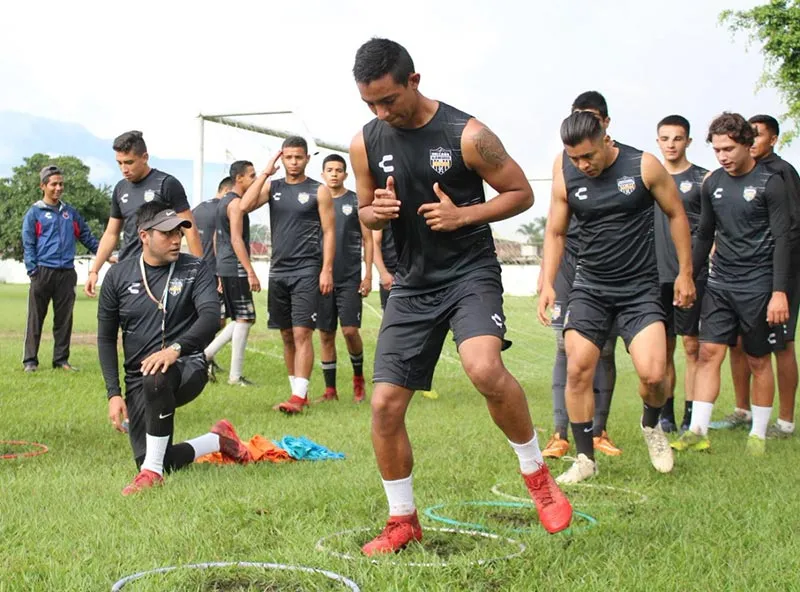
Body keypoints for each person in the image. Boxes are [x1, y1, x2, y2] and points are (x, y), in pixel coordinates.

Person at [350, 38, 572, 556]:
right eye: (370, 105)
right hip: (411, 282)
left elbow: (522, 192)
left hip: (469, 272)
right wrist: (374, 213)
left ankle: (538, 477)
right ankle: (402, 520)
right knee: (384, 405)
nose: (382, 113)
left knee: (484, 369)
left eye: (388, 100)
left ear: (414, 81)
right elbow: (362, 209)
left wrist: (462, 215)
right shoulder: (364, 141)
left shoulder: (467, 134)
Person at [539, 111, 695, 484]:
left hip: (639, 291)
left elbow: (676, 214)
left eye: (588, 156)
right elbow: (556, 232)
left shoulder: (643, 166)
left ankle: (651, 427)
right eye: (574, 157)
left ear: (605, 138)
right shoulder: (567, 174)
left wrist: (685, 272)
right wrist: (547, 283)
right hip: (590, 289)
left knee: (654, 375)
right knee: (577, 369)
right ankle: (584, 458)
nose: (582, 165)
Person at [97, 202, 252, 495]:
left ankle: (152, 476)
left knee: (158, 378)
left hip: (187, 364)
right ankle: (216, 440)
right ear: (144, 235)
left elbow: (210, 317)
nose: (176, 240)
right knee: (156, 457)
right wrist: (114, 394)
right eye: (166, 233)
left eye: (179, 233)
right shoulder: (118, 277)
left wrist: (176, 349)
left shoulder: (195, 267)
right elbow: (105, 338)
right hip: (138, 378)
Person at [672, 112, 792, 456]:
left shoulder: (772, 183)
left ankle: (758, 433)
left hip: (758, 285)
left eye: (728, 148)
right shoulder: (712, 184)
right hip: (720, 282)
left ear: (747, 145)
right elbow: (705, 234)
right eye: (717, 149)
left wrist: (779, 292)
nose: (722, 155)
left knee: (757, 359)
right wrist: (688, 276)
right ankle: (697, 430)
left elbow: (783, 238)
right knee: (709, 352)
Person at [540, 91, 620, 459]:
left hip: (606, 267)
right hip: (570, 264)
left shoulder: (627, 163)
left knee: (602, 350)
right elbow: (554, 226)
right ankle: (560, 432)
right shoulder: (563, 161)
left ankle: (599, 429)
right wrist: (546, 278)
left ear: (604, 123)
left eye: (590, 118)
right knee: (563, 347)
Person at [712, 114, 800, 438]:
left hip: (779, 274)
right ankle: (742, 410)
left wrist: (782, 287)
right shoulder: (731, 178)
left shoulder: (780, 173)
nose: (751, 140)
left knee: (781, 344)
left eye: (758, 135)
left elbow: (788, 231)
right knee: (739, 343)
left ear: (772, 139)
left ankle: (786, 422)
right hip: (740, 278)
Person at [240, 137, 335, 413]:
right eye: (288, 157)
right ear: (282, 158)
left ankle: (299, 396)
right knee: (286, 334)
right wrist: (266, 172)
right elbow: (244, 206)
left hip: (307, 269)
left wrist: (326, 269)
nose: (293, 162)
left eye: (298, 157)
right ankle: (295, 393)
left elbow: (330, 232)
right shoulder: (273, 186)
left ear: (307, 159)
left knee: (302, 332)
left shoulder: (319, 191)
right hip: (278, 269)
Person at [84, 130, 202, 297]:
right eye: (119, 163)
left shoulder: (167, 184)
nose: (124, 169)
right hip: (128, 268)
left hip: (160, 270)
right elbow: (111, 234)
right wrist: (94, 270)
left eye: (129, 162)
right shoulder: (120, 189)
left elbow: (190, 229)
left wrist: (200, 270)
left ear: (145, 157)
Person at [653, 115, 709, 434]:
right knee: (664, 347)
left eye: (677, 138)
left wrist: (693, 268)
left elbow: (710, 230)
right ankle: (666, 414)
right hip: (654, 276)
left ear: (688, 141)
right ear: (657, 141)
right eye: (665, 138)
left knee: (692, 346)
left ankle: (691, 414)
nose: (671, 144)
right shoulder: (649, 178)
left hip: (689, 276)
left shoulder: (703, 179)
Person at [22, 165, 100, 372]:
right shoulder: (35, 213)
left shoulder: (70, 213)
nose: (58, 188)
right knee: (35, 318)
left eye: (61, 184)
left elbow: (86, 237)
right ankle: (30, 361)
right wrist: (33, 270)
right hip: (42, 272)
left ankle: (61, 361)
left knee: (64, 319)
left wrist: (105, 254)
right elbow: (28, 244)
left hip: (66, 273)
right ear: (43, 186)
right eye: (54, 184)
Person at [316, 154, 372, 403]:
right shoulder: (316, 200)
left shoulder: (355, 201)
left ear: (345, 175)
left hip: (349, 277)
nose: (334, 174)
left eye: (339, 170)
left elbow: (369, 240)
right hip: (321, 278)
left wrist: (368, 273)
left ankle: (358, 380)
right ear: (323, 174)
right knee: (326, 334)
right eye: (330, 170)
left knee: (350, 331)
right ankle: (330, 392)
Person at [200, 162, 259, 386]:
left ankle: (206, 355)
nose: (253, 179)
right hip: (235, 267)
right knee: (245, 318)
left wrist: (219, 268)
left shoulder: (222, 202)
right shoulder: (234, 204)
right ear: (239, 179)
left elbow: (216, 239)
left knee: (242, 317)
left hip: (225, 266)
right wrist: (250, 270)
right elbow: (235, 239)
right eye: (251, 175)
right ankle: (235, 376)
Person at [192, 176, 233, 381]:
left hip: (196, 270)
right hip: (216, 272)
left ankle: (207, 356)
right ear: (227, 190)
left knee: (209, 318)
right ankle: (203, 358)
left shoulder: (198, 209)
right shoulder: (224, 209)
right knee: (218, 320)